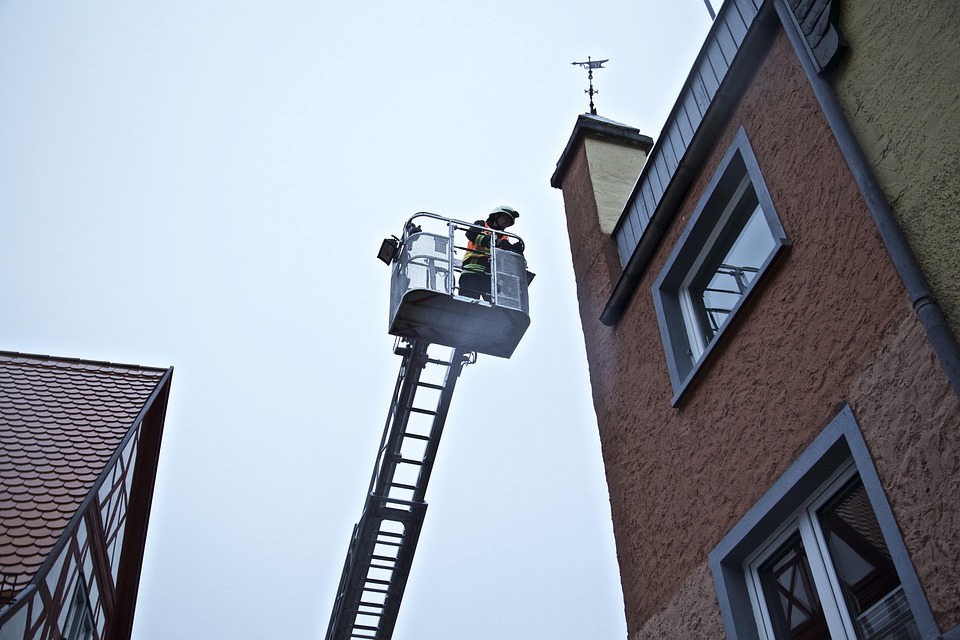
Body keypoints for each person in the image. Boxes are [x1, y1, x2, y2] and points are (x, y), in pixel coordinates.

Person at [459, 205, 523, 300]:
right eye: (505, 218)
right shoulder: (481, 225)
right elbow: (471, 234)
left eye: (509, 221)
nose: (507, 222)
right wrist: (494, 242)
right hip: (472, 273)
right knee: (467, 305)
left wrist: (514, 250)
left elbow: (505, 258)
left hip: (491, 277)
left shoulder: (504, 237)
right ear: (496, 216)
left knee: (495, 310)